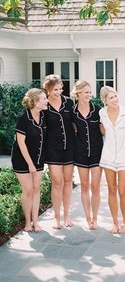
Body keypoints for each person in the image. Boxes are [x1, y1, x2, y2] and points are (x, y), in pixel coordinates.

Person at [11, 88, 48, 232]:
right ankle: (28, 222)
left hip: (38, 158)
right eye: (44, 98)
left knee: (36, 189)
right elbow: (20, 143)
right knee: (28, 190)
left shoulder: (43, 116)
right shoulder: (23, 118)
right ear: (35, 102)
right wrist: (30, 164)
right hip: (21, 159)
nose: (46, 101)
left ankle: (36, 222)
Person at [99, 86, 125, 234]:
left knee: (122, 190)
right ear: (105, 100)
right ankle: (115, 223)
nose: (115, 100)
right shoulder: (102, 113)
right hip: (108, 156)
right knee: (111, 190)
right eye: (111, 98)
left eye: (115, 96)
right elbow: (102, 130)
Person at [43, 75, 75, 229]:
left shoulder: (69, 102)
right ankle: (56, 218)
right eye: (55, 89)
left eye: (61, 88)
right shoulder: (44, 104)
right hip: (52, 149)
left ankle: (67, 216)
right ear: (47, 89)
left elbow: (76, 123)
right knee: (57, 183)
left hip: (69, 147)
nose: (59, 91)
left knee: (68, 182)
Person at [70, 80, 103, 230]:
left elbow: (104, 130)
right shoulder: (72, 111)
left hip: (97, 153)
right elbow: (71, 129)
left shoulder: (98, 110)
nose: (89, 95)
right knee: (84, 186)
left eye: (90, 92)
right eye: (86, 92)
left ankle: (95, 218)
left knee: (95, 186)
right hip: (80, 152)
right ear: (78, 93)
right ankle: (87, 218)